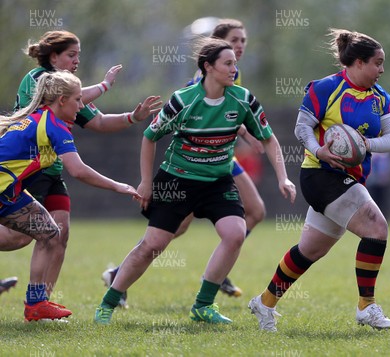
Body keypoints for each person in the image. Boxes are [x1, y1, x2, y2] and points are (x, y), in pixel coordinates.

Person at [93, 37, 296, 325]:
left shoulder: (243, 99)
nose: (234, 69)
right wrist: (146, 183)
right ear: (208, 67)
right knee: (153, 245)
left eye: (235, 64)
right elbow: (149, 137)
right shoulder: (182, 100)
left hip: (218, 181)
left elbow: (270, 139)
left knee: (235, 233)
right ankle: (108, 302)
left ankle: (203, 305)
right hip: (177, 180)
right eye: (228, 63)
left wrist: (283, 178)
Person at [248, 28, 390, 332]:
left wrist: (366, 144)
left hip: (350, 179)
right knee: (376, 228)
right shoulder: (325, 88)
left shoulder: (381, 98)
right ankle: (366, 307)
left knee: (310, 250)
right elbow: (302, 126)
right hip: (319, 175)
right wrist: (319, 150)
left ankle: (264, 303)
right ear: (357, 62)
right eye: (377, 63)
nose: (382, 70)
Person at [101, 18, 263, 302]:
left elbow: (230, 112)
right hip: (195, 162)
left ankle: (218, 267)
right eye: (234, 40)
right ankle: (120, 275)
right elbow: (186, 117)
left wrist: (246, 134)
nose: (239, 46)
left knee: (255, 211)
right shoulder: (201, 82)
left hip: (221, 157)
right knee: (170, 232)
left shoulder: (235, 76)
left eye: (243, 41)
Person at [0, 30, 161, 310]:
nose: (76, 61)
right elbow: (80, 170)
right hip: (19, 177)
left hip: (34, 176)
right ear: (53, 57)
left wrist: (133, 117)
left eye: (78, 56)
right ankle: (37, 303)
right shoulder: (43, 89)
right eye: (71, 55)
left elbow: (97, 122)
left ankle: (39, 303)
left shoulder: (63, 102)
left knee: (54, 233)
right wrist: (118, 186)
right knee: (24, 235)